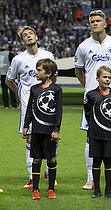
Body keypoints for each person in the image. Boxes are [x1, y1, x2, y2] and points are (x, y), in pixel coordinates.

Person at [75, 10, 111, 190]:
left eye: (98, 20)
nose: (95, 23)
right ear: (89, 24)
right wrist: (89, 87)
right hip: (91, 100)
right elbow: (78, 71)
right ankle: (90, 178)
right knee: (89, 136)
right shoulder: (83, 46)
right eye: (92, 21)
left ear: (105, 23)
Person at [5, 26, 54, 189]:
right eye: (25, 35)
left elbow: (54, 78)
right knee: (30, 139)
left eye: (30, 34)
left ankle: (48, 172)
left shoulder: (48, 56)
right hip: (28, 107)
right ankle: (32, 178)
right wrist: (21, 94)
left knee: (49, 136)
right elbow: (8, 80)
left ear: (36, 36)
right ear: (22, 41)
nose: (28, 36)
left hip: (47, 105)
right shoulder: (18, 59)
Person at [22, 58, 62, 200]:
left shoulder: (57, 90)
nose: (36, 72)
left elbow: (58, 112)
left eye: (39, 70)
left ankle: (51, 189)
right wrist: (26, 126)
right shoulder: (34, 89)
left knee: (51, 159)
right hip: (37, 130)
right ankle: (36, 190)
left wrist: (56, 130)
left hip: (50, 131)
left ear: (49, 73)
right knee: (36, 160)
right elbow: (29, 110)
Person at [84, 65, 111, 198]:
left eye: (109, 77)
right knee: (96, 161)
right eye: (104, 77)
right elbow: (87, 112)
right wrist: (93, 127)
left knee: (108, 161)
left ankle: (108, 190)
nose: (107, 80)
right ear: (97, 78)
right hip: (95, 134)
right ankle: (97, 190)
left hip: (109, 134)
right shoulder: (91, 95)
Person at [0, 39, 17, 109]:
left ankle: (6, 105)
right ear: (6, 45)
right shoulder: (9, 54)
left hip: (1, 73)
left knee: (4, 90)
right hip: (9, 74)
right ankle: (14, 104)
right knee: (12, 89)